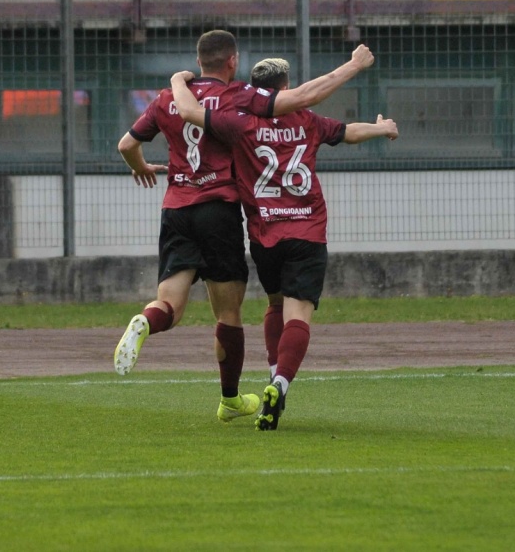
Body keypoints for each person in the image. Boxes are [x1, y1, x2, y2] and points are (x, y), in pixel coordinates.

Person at [114, 30, 376, 427]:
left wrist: (141, 167)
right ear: (233, 62)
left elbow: (126, 145)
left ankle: (146, 321)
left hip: (179, 210)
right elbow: (312, 105)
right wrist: (356, 68)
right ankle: (234, 397)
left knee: (169, 303)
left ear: (198, 59)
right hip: (222, 212)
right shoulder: (242, 101)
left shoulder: (170, 97)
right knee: (230, 315)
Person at [170, 57, 398, 430]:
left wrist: (179, 80)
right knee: (300, 313)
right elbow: (347, 132)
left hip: (265, 235)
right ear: (287, 86)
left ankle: (275, 373)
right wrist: (381, 128)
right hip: (306, 231)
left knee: (275, 304)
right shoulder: (306, 120)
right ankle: (280, 383)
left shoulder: (239, 124)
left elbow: (191, 114)